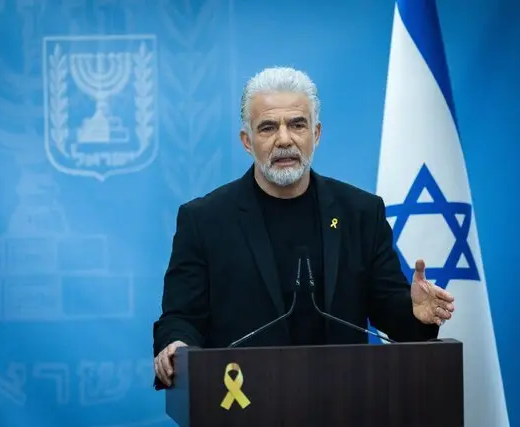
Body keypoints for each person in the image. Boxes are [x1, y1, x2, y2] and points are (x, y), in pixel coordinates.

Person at [152, 66, 455, 388]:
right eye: (268, 127)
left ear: (316, 133)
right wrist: (176, 344)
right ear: (247, 141)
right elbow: (181, 317)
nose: (284, 139)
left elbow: (389, 310)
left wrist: (414, 312)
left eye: (297, 125)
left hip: (344, 398)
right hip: (240, 398)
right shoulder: (204, 220)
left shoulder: (361, 213)